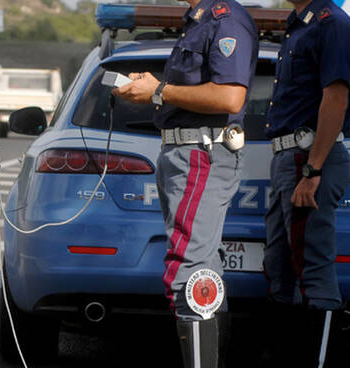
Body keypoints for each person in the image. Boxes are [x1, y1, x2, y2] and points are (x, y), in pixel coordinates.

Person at [112, 1, 258, 367]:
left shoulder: (226, 20)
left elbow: (229, 96)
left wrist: (159, 91)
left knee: (188, 270)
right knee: (203, 268)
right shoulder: (199, 21)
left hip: (201, 151)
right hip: (185, 151)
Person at [260, 0, 350, 366]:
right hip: (289, 158)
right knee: (280, 268)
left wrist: (312, 172)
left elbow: (336, 97)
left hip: (309, 158)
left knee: (312, 269)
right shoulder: (300, 24)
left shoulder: (332, 24)